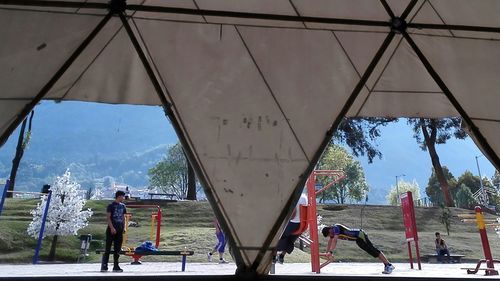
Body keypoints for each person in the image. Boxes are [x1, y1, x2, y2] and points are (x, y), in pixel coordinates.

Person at [322, 224, 395, 274]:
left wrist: (330, 252)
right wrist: (327, 252)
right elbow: (330, 241)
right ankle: (387, 265)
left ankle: (388, 265)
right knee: (372, 252)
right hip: (357, 239)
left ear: (330, 230)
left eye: (329, 234)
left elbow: (335, 241)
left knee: (373, 250)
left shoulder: (335, 228)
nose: (330, 236)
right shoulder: (332, 233)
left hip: (360, 235)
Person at [274, 193, 308, 264]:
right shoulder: (305, 197)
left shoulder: (294, 197)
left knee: (278, 236)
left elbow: (293, 214)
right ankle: (282, 256)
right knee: (290, 240)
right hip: (302, 225)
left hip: (293, 223)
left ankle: (273, 256)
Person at [101, 191, 127, 272]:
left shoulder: (123, 206)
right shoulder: (111, 206)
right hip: (111, 230)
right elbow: (108, 218)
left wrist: (124, 227)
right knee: (108, 248)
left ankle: (116, 266)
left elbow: (123, 217)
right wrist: (112, 228)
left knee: (117, 249)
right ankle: (104, 266)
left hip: (119, 230)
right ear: (119, 196)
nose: (123, 198)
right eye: (123, 196)